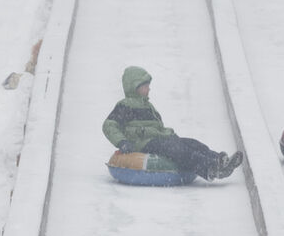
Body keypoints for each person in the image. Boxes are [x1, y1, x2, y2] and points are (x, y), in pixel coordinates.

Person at [102, 66, 243, 181]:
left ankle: (220, 160)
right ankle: (211, 168)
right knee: (177, 149)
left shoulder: (149, 106)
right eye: (145, 86)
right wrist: (122, 142)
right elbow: (109, 125)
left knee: (191, 143)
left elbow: (159, 127)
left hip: (158, 138)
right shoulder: (124, 105)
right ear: (134, 87)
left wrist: (169, 134)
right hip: (143, 142)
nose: (149, 89)